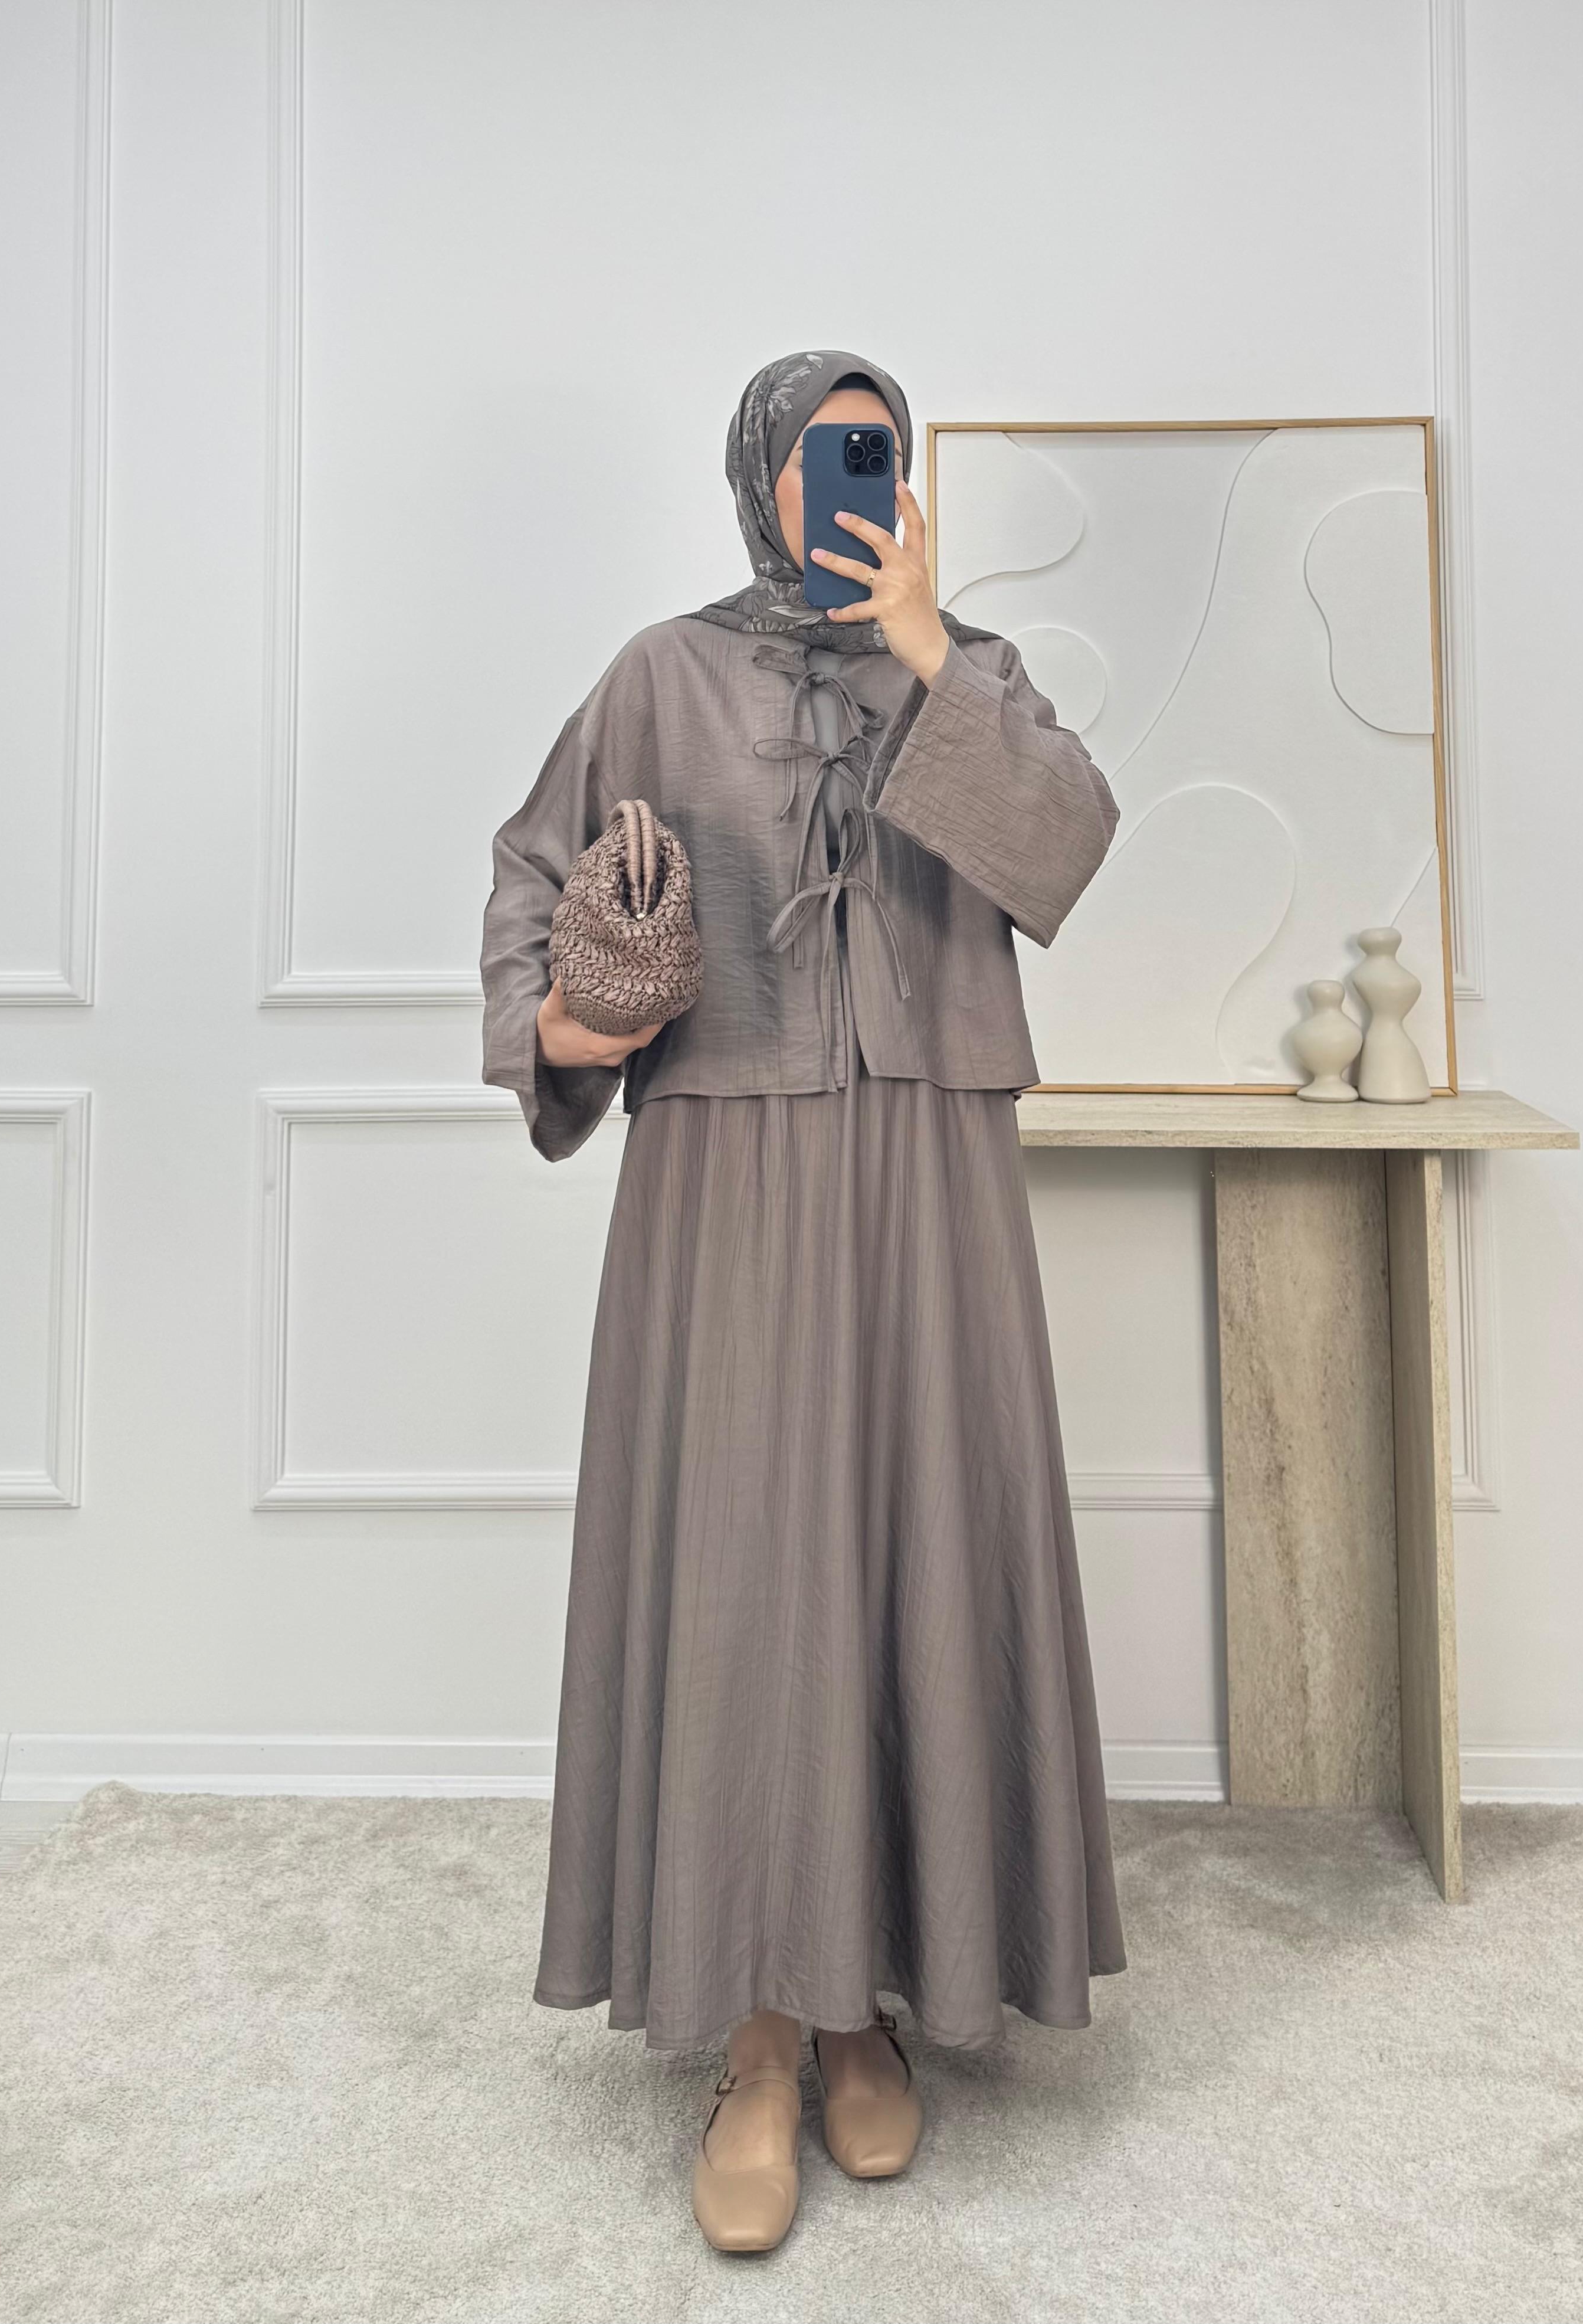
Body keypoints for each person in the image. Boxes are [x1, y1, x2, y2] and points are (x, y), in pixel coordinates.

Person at [479, 348, 1127, 2254]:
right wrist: (568, 1019)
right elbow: (529, 883)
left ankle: (869, 2009)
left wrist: (925, 649)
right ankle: (757, 2035)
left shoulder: (970, 666)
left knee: (912, 1549)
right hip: (727, 1174)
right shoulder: (657, 676)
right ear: (760, 476)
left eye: (882, 451)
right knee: (748, 1577)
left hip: (929, 1166)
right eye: (826, 454)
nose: (855, 477)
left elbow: (1066, 845)